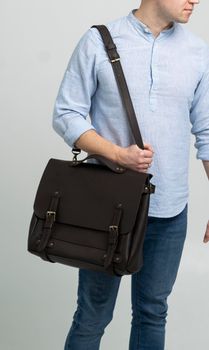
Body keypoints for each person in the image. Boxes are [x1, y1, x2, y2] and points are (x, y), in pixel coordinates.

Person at [52, 1, 209, 349]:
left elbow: (208, 132)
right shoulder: (99, 40)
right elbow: (66, 114)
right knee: (92, 314)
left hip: (169, 212)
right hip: (108, 209)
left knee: (153, 312)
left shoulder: (198, 52)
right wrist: (117, 154)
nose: (196, 0)